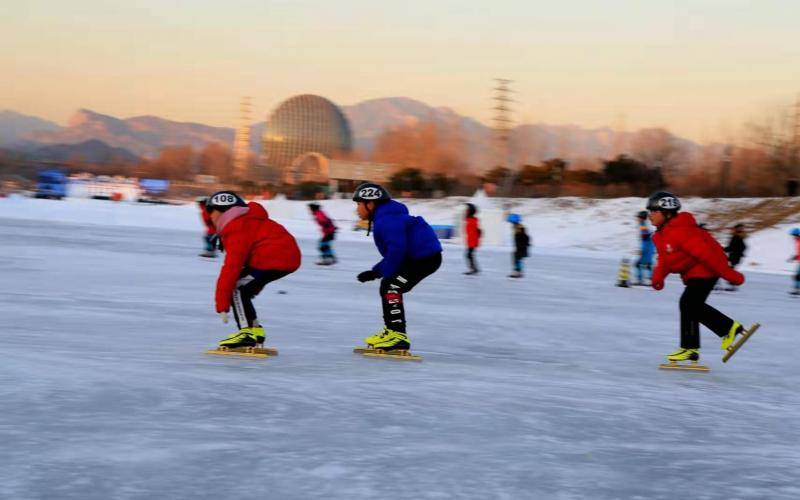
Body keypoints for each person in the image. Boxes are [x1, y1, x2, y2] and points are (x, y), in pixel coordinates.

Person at [648, 191, 746, 363]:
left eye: (653, 211)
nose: (650, 216)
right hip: (695, 273)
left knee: (689, 303)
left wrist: (728, 273)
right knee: (689, 305)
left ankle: (728, 329)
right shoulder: (662, 236)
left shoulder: (681, 231)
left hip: (707, 269)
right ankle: (691, 348)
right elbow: (665, 259)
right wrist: (658, 277)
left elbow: (707, 254)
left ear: (666, 213)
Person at [352, 182, 442, 351]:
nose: (357, 209)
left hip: (425, 259)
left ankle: (397, 336)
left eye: (358, 203)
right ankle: (393, 331)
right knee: (389, 286)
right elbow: (397, 252)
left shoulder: (386, 220)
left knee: (391, 287)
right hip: (417, 258)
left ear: (370, 204)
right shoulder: (386, 217)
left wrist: (377, 272)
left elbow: (397, 249)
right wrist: (377, 272)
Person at [205, 191, 301, 348]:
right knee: (244, 289)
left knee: (236, 287)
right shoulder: (245, 220)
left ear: (223, 210)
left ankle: (247, 333)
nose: (210, 216)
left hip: (273, 258)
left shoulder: (237, 226)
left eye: (211, 211)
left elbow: (232, 267)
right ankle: (255, 331)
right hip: (281, 257)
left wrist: (221, 303)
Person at [722, 223, 747, 291]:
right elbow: (740, 247)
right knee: (730, 270)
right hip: (734, 256)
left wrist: (723, 249)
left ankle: (733, 285)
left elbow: (735, 247)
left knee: (730, 270)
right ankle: (732, 285)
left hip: (734, 256)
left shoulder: (737, 237)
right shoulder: (738, 236)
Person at [634, 211, 655, 285]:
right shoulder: (645, 225)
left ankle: (641, 280)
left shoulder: (644, 226)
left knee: (638, 264)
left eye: (638, 217)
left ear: (642, 218)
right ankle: (651, 280)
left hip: (647, 248)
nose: (637, 219)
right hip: (650, 247)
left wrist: (642, 250)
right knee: (648, 264)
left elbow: (646, 239)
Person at [508, 213, 530, 278]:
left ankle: (518, 272)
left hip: (521, 247)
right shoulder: (517, 226)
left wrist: (522, 245)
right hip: (519, 246)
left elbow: (524, 237)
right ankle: (518, 271)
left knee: (518, 259)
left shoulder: (519, 227)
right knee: (516, 258)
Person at [463, 203, 481, 275]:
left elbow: (477, 232)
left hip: (472, 242)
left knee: (468, 255)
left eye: (467, 210)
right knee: (469, 255)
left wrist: (474, 243)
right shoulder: (470, 220)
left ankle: (473, 269)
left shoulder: (472, 221)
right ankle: (474, 268)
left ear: (470, 211)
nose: (465, 211)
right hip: (471, 241)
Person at [790, 228, 800, 295]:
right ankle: (796, 289)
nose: (793, 237)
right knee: (797, 276)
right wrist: (795, 257)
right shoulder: (797, 241)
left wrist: (796, 257)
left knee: (797, 276)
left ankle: (796, 290)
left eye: (794, 235)